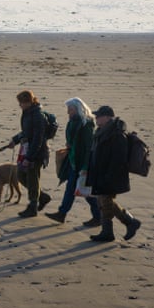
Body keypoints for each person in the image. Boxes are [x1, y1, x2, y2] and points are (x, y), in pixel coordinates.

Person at [84, 105, 141, 243]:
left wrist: (108, 177)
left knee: (105, 202)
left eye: (99, 116)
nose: (96, 118)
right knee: (104, 201)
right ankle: (129, 222)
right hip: (100, 174)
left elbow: (118, 159)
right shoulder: (101, 131)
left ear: (108, 117)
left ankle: (108, 232)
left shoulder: (116, 134)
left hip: (110, 176)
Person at [47, 97, 104, 227]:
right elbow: (73, 140)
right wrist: (69, 145)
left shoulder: (86, 124)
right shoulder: (73, 121)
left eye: (70, 109)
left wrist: (85, 166)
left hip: (81, 162)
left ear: (78, 109)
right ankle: (63, 213)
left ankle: (97, 216)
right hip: (73, 160)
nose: (68, 112)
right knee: (74, 188)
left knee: (81, 189)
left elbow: (89, 147)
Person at [8, 89, 52, 218]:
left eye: (21, 102)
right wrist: (14, 140)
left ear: (27, 102)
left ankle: (32, 207)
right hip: (27, 149)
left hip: (36, 152)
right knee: (21, 176)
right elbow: (26, 132)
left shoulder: (37, 115)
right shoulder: (27, 113)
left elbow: (38, 138)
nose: (19, 105)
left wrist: (30, 157)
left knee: (33, 178)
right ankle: (42, 197)